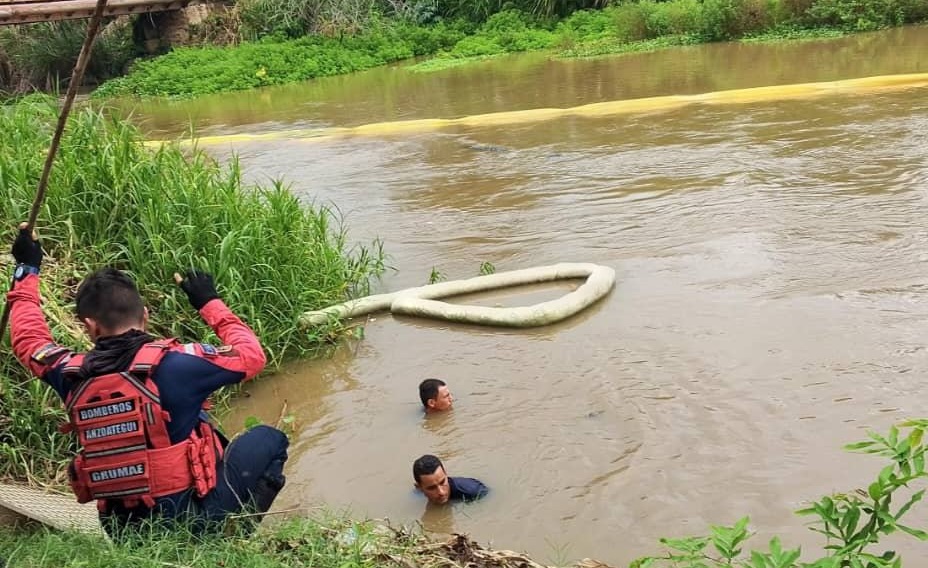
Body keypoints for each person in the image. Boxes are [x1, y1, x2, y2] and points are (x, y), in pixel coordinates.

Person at [6, 224, 289, 535]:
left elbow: (29, 339)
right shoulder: (180, 364)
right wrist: (209, 302)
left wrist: (26, 269)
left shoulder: (69, 373)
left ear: (89, 326)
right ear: (145, 315)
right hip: (190, 523)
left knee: (201, 422)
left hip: (122, 530)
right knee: (269, 439)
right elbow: (251, 355)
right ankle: (230, 535)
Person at [413, 454, 488, 505]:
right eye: (432, 488)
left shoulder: (473, 491)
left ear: (446, 474)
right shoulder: (417, 492)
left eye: (442, 482)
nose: (441, 492)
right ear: (420, 487)